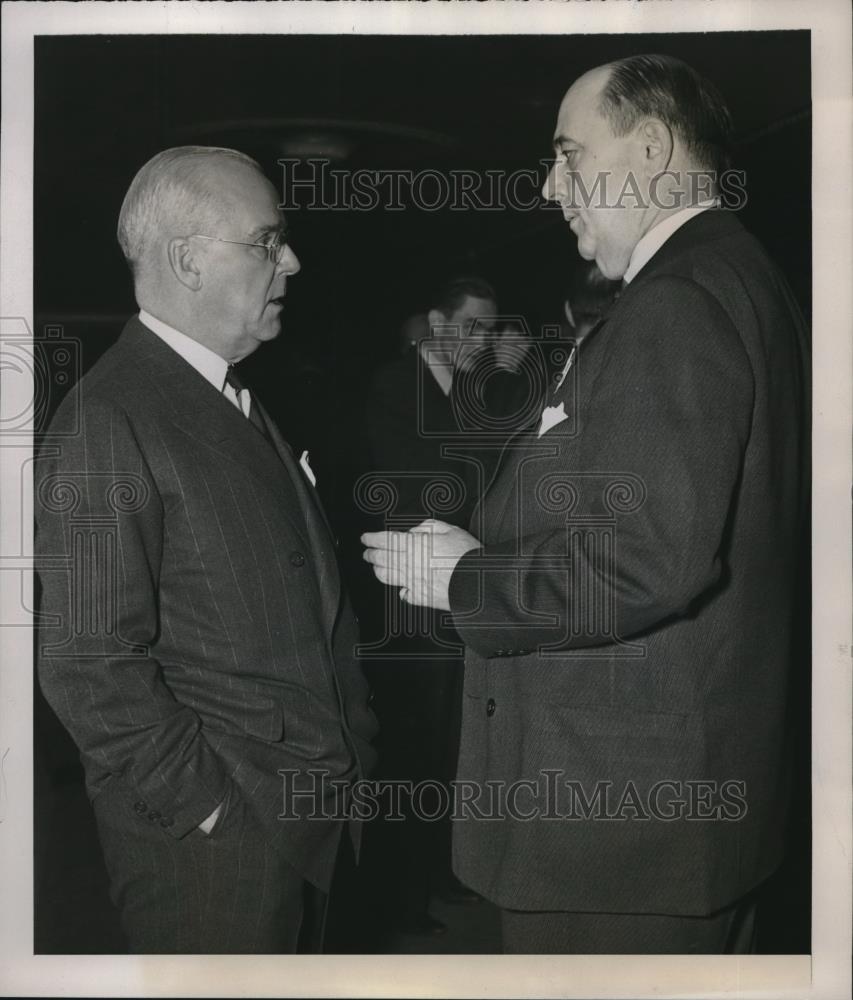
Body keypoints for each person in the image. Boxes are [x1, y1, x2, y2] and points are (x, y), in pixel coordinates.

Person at [362, 54, 809, 954]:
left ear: (648, 149)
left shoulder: (673, 305)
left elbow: (646, 559)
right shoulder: (738, 279)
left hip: (615, 837)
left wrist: (468, 579)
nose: (549, 185)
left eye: (569, 156)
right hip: (673, 822)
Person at [35, 146, 377, 953]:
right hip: (216, 847)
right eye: (265, 240)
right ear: (187, 261)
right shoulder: (106, 420)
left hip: (305, 818)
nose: (289, 260)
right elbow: (87, 662)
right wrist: (213, 808)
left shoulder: (226, 396)